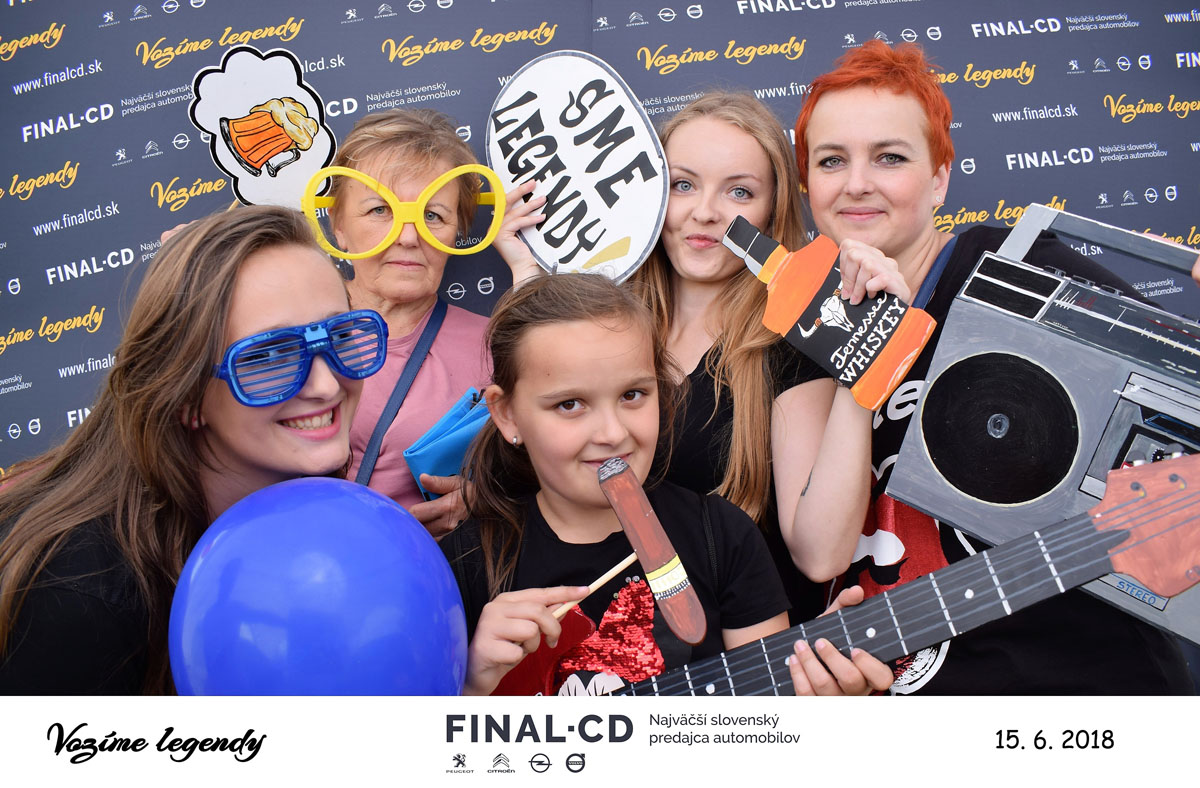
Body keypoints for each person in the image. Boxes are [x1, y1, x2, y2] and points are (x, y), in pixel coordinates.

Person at [793, 40, 1193, 693]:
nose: (858, 182)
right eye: (832, 160)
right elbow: (818, 556)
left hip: (1085, 687)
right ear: (808, 184)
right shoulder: (808, 335)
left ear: (939, 179)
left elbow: (1174, 422)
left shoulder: (1016, 271)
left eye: (890, 157)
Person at [440, 273, 893, 696]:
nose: (612, 432)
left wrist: (811, 690)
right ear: (507, 415)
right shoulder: (462, 565)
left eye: (632, 395)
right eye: (570, 404)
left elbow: (767, 720)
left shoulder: (722, 537)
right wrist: (474, 682)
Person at [0, 205, 383, 694]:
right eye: (269, 356)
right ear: (185, 396)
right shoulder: (77, 590)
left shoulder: (315, 519)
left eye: (340, 335)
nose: (327, 385)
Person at [613, 93, 867, 623]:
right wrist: (528, 271)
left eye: (739, 192)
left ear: (771, 212)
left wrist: (863, 375)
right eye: (683, 185)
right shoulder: (606, 329)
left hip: (740, 651)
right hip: (617, 642)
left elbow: (821, 556)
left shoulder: (791, 345)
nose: (706, 212)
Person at [322, 109, 542, 537]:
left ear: (457, 231)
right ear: (339, 227)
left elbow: (550, 464)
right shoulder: (291, 330)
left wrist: (489, 498)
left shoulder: (491, 346)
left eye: (433, 216)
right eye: (380, 210)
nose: (408, 236)